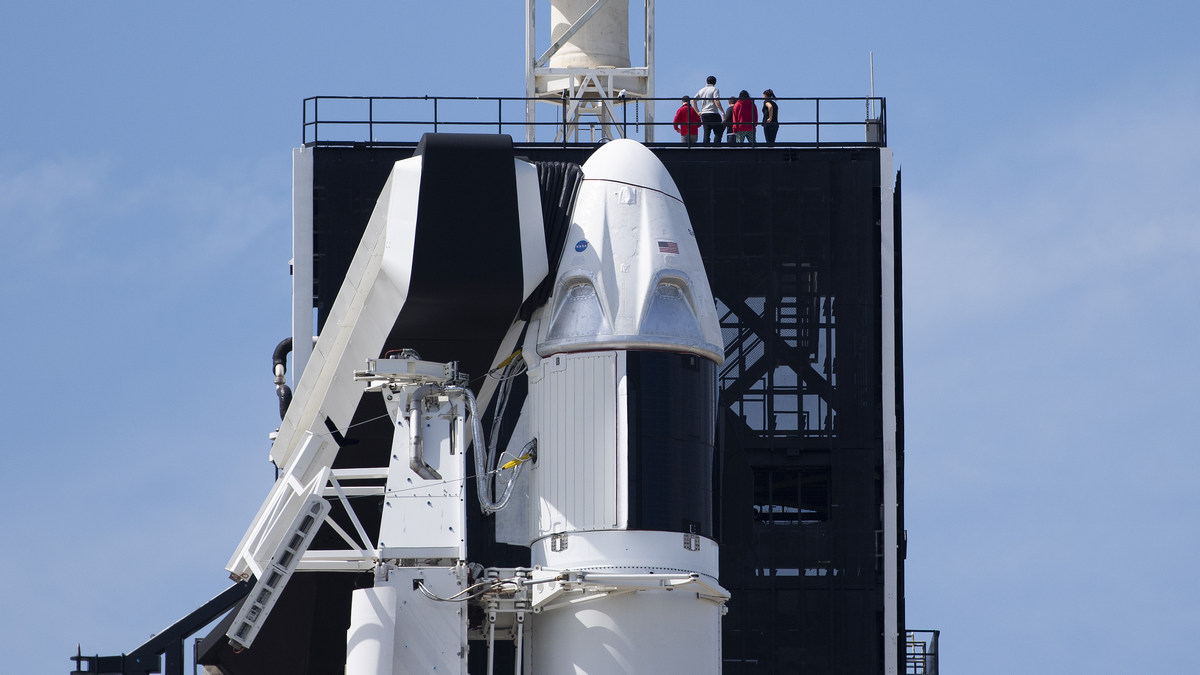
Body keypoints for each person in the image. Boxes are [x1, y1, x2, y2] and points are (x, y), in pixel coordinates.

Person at [692, 75, 725, 145]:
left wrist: (697, 112)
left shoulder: (701, 90)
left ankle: (706, 146)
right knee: (718, 132)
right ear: (715, 82)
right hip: (713, 113)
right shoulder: (715, 89)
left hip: (704, 114)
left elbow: (693, 100)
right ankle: (717, 146)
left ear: (706, 82)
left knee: (706, 133)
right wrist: (722, 111)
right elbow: (716, 101)